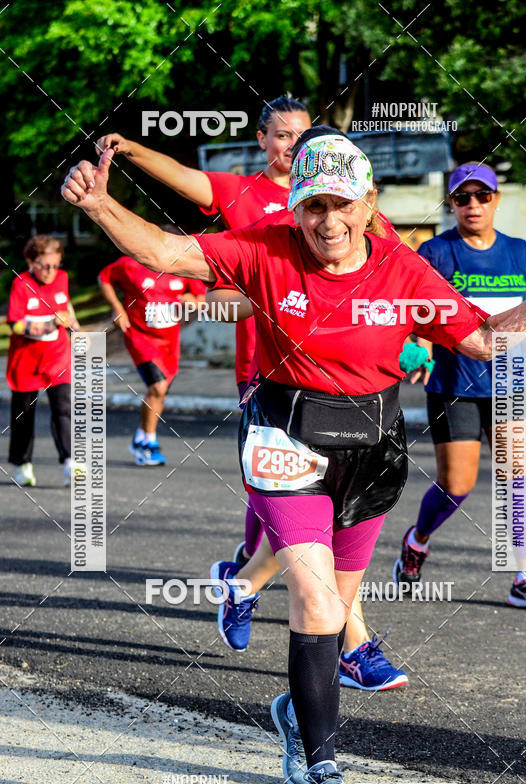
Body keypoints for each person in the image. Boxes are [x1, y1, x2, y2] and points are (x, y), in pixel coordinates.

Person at [61, 134, 526, 784]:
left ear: (368, 205)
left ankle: (292, 709)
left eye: (342, 204)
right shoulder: (266, 249)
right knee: (314, 601)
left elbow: (485, 338)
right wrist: (100, 205)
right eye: (312, 206)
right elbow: (164, 251)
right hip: (285, 438)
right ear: (295, 206)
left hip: (372, 450)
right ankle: (323, 764)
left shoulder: (403, 269)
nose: (327, 221)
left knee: (340, 606)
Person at [208, 127, 409, 693]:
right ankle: (353, 646)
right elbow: (213, 298)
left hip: (358, 403)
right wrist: (268, 296)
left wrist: (409, 340)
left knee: (320, 529)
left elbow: (398, 286)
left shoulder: (368, 223)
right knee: (306, 531)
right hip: (277, 394)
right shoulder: (272, 227)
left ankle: (243, 586)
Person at [97, 96, 311, 555]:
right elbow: (180, 176)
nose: (294, 145)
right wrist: (131, 148)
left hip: (327, 360)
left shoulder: (328, 199)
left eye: (302, 135)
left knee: (317, 482)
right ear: (262, 140)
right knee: (272, 479)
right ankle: (250, 571)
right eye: (283, 135)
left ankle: (269, 576)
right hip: (260, 365)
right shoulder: (240, 191)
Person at [393, 162, 526, 610]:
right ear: (452, 203)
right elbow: (419, 312)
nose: (473, 205)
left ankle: (523, 575)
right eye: (463, 197)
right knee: (455, 486)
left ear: (497, 199)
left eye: (482, 196)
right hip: (453, 385)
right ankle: (418, 541)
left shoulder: (520, 253)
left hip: (509, 386)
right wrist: (417, 345)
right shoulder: (435, 252)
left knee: (517, 482)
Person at [98, 248, 205, 465]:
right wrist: (117, 307)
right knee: (157, 387)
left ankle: (140, 438)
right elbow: (104, 277)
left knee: (160, 392)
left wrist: (192, 302)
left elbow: (202, 298)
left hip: (169, 341)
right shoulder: (131, 264)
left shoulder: (183, 269)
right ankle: (148, 442)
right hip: (140, 336)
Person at [6, 235, 79, 487]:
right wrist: (50, 322)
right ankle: (22, 463)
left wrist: (75, 326)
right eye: (44, 265)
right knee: (24, 413)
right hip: (26, 360)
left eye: (55, 265)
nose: (50, 271)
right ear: (30, 261)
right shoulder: (21, 283)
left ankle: (71, 462)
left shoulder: (63, 278)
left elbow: (65, 304)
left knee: (63, 408)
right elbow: (15, 325)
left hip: (57, 356)